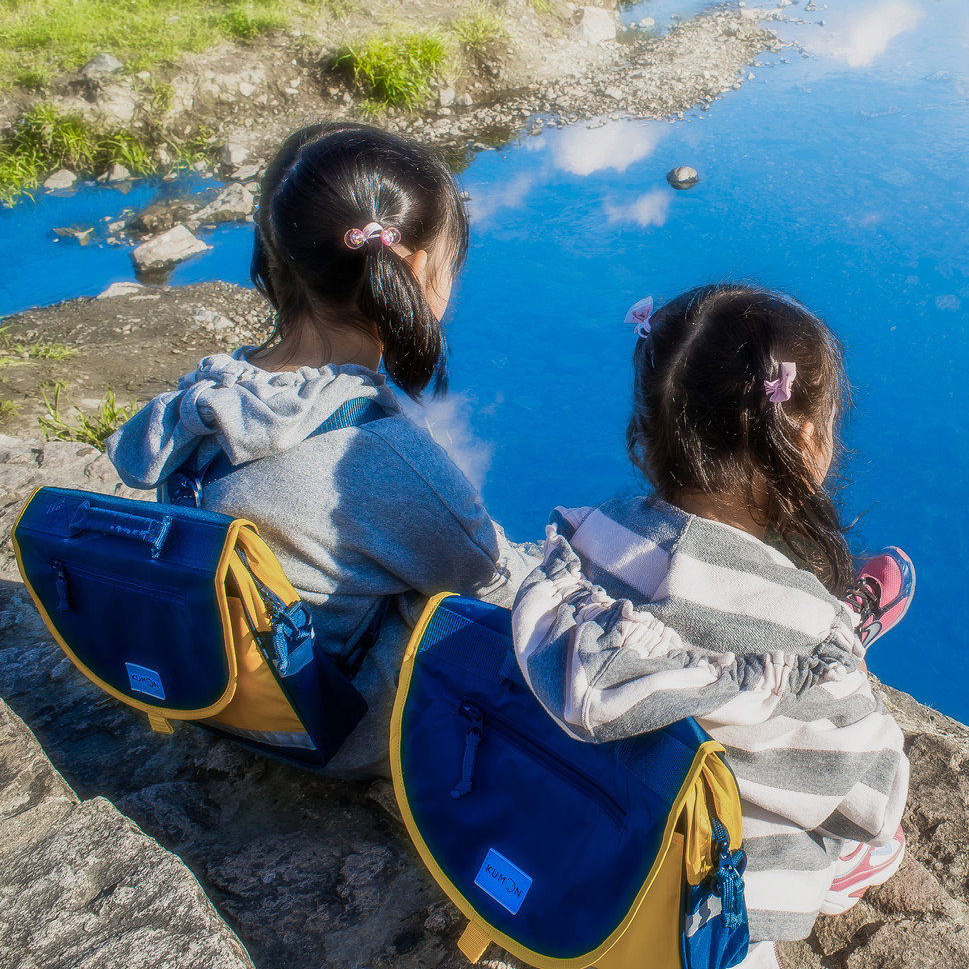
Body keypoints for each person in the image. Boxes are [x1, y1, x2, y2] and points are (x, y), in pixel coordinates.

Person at [105, 122, 533, 778]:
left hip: (212, 687)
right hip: (329, 726)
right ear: (418, 268)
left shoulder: (211, 395)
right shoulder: (374, 449)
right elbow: (496, 583)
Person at [512, 283, 914, 968]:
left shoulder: (585, 540)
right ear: (807, 441)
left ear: (652, 420)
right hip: (692, 923)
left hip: (568, 848)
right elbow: (876, 797)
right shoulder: (799, 634)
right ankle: (848, 642)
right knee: (858, 821)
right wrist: (827, 659)